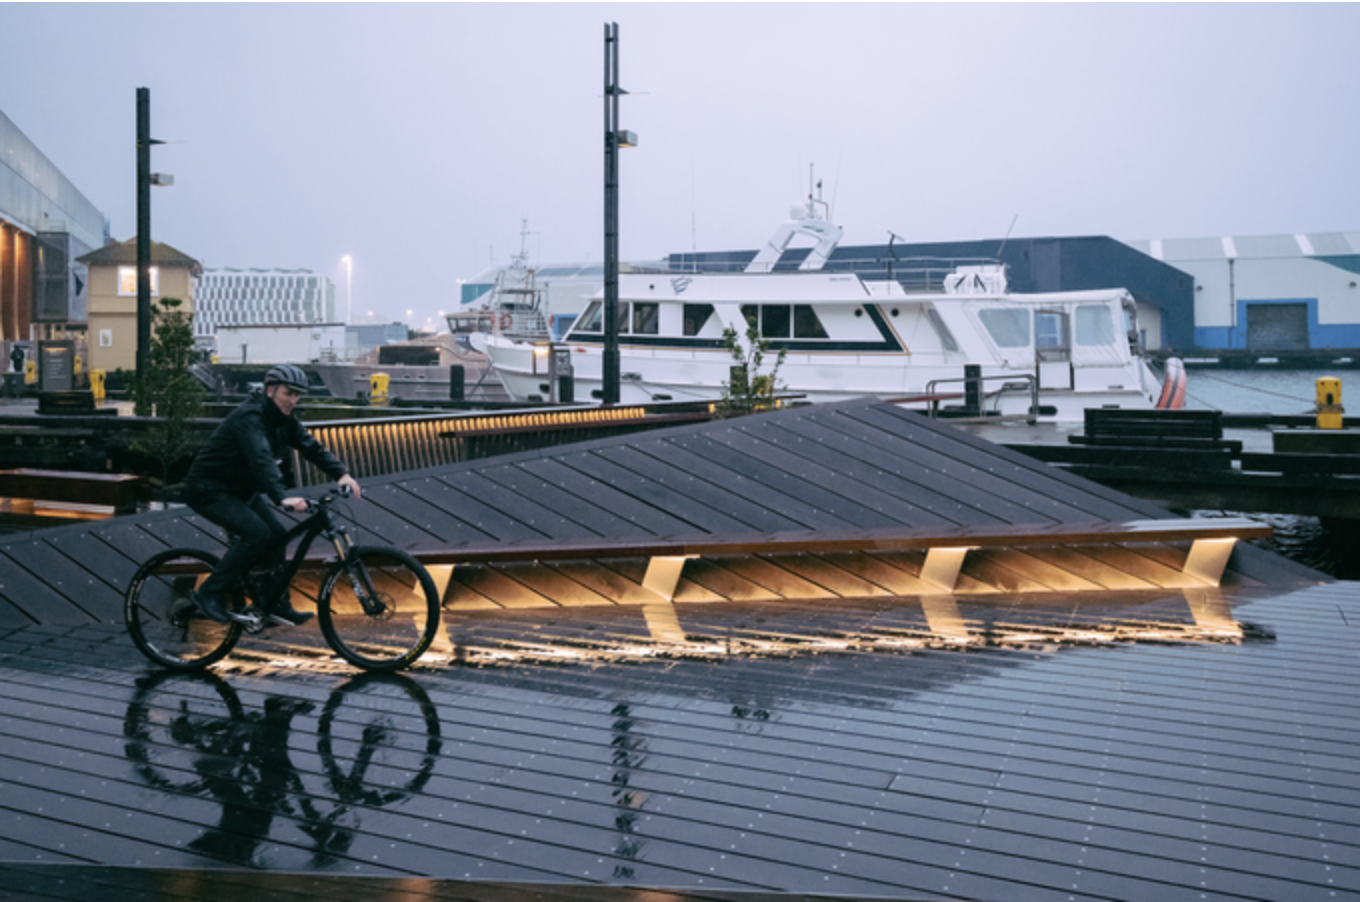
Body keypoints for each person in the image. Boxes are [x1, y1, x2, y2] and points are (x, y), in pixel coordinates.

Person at [183, 364, 361, 626]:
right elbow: (260, 457)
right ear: (270, 390)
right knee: (256, 534)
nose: (293, 400)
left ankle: (273, 603)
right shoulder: (249, 418)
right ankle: (208, 593)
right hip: (209, 489)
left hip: (240, 491)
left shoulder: (283, 420)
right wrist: (281, 496)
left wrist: (341, 474)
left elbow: (310, 446)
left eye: (297, 394)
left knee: (277, 536)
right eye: (288, 393)